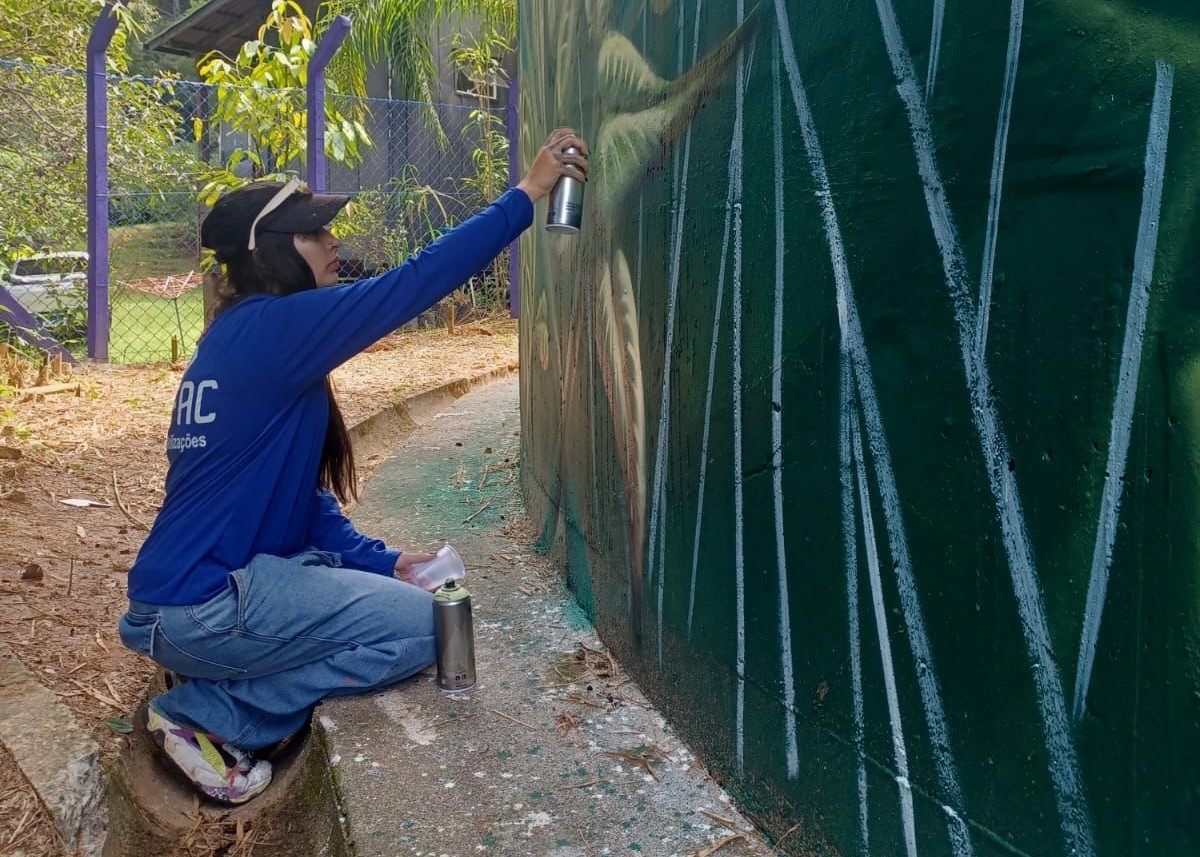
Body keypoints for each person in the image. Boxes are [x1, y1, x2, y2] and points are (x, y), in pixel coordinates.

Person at [117, 129, 590, 804]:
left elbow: (299, 502)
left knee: (400, 597)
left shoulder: (240, 337)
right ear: (271, 254)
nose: (333, 241)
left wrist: (385, 561)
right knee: (423, 628)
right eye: (314, 233)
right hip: (206, 606)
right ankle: (209, 716)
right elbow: (413, 283)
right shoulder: (275, 331)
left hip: (182, 604)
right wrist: (528, 194)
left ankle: (219, 691)